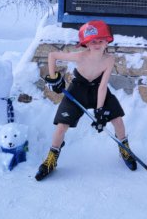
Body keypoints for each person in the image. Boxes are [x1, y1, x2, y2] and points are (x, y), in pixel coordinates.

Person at [35, 20, 137, 181]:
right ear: (87, 43)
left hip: (98, 89)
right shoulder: (80, 56)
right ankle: (52, 158)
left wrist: (99, 110)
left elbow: (103, 86)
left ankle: (124, 147)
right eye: (93, 41)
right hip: (77, 89)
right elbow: (52, 55)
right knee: (62, 126)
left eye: (100, 40)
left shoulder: (109, 60)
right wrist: (54, 78)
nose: (97, 44)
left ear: (107, 42)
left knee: (117, 119)